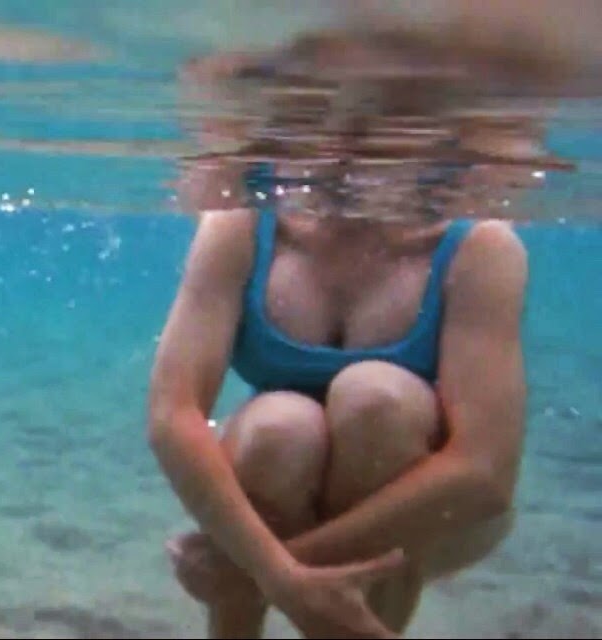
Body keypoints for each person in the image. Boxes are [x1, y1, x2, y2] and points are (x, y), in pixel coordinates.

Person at [144, 22, 565, 639]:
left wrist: (268, 571)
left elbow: (483, 474)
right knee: (281, 424)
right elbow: (172, 415)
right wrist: (277, 572)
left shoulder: (479, 249)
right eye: (327, 117)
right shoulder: (240, 227)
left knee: (375, 397)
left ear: (437, 135)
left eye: (386, 120)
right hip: (273, 481)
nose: (348, 150)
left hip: (436, 518)